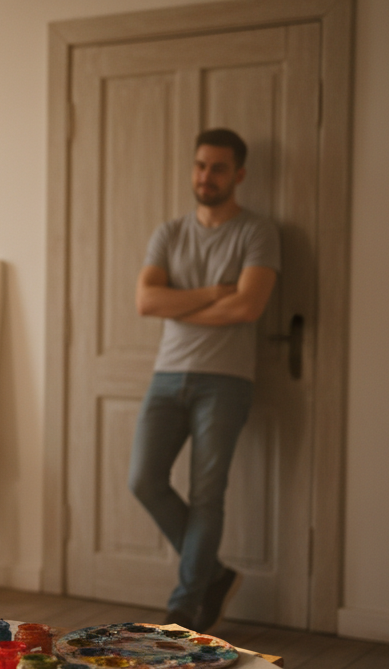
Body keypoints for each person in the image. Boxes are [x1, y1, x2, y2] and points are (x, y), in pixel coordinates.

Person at [128, 128, 280, 632]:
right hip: (168, 375)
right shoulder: (169, 233)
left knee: (207, 491)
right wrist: (216, 293)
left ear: (238, 174)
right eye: (199, 165)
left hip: (226, 380)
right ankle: (212, 574)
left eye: (217, 168)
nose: (205, 176)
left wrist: (184, 300)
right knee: (144, 480)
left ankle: (185, 603)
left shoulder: (257, 232)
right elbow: (147, 302)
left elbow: (251, 306)